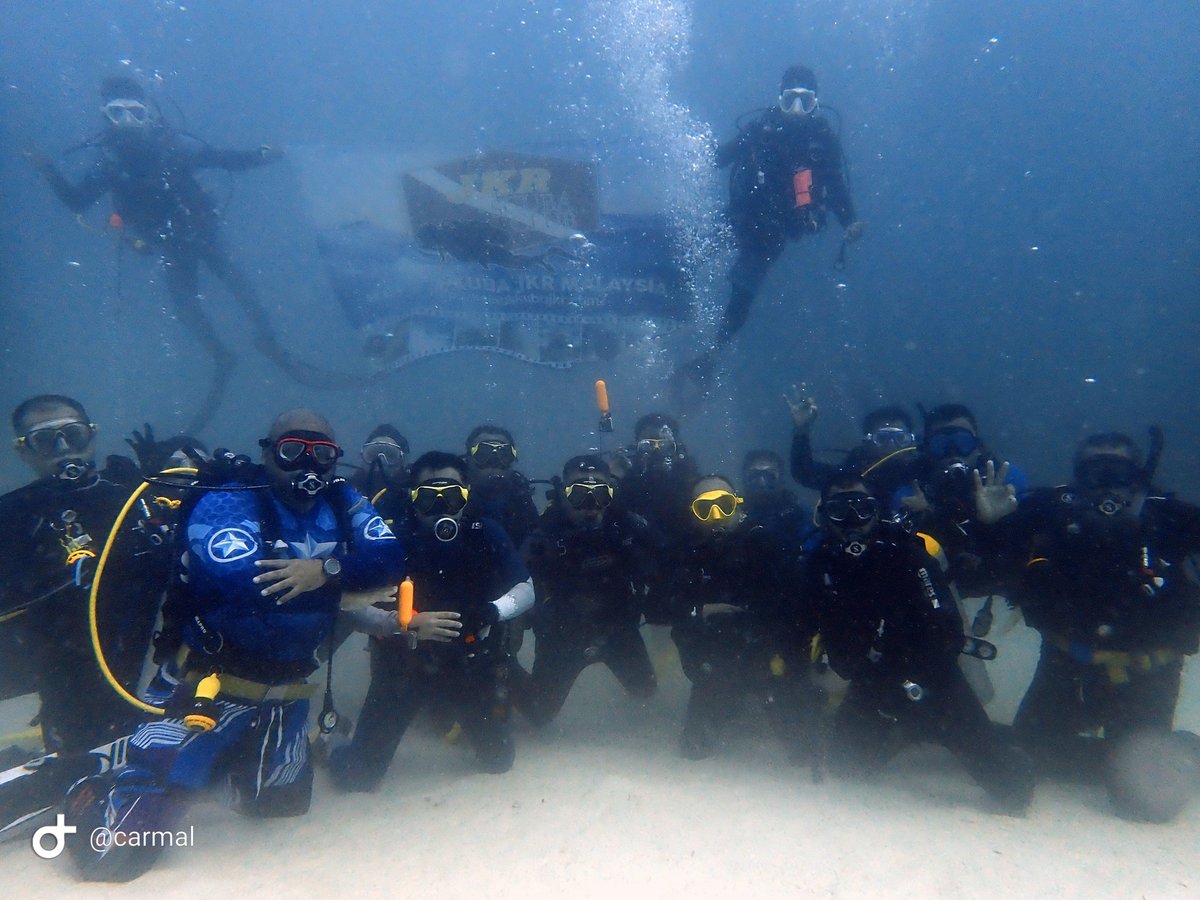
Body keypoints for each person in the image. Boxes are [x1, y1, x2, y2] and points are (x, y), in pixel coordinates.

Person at [64, 408, 404, 881]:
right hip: (208, 686)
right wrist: (346, 589)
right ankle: (93, 776)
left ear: (335, 459)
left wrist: (324, 571)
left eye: (321, 453)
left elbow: (392, 560)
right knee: (116, 858)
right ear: (268, 454)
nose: (308, 464)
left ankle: (197, 765)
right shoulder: (226, 501)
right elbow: (241, 588)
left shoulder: (342, 498)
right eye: (292, 450)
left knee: (278, 805)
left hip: (286, 693)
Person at [27, 74, 340, 434]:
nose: (127, 121)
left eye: (135, 112)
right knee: (187, 305)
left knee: (240, 286)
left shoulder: (173, 146)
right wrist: (45, 168)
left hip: (201, 232)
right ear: (106, 117)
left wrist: (263, 155)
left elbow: (225, 159)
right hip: (171, 243)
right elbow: (77, 201)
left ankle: (266, 342)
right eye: (117, 113)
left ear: (148, 114)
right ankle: (223, 353)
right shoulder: (110, 162)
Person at [805, 469, 1034, 815]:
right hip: (873, 685)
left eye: (862, 507)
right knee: (846, 766)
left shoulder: (906, 553)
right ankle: (905, 732)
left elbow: (948, 624)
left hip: (936, 682)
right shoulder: (820, 564)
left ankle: (987, 739)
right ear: (823, 515)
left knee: (1012, 793)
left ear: (876, 511)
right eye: (840, 509)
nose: (853, 519)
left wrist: (995, 528)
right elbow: (801, 623)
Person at [0, 395, 172, 829]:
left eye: (72, 435)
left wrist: (166, 490)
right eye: (45, 441)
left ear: (91, 437)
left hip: (150, 680)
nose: (63, 449)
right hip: (68, 687)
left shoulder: (136, 496)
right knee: (78, 773)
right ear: (23, 451)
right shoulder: (10, 517)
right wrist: (53, 579)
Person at [1008, 432, 1200, 820]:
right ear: (1078, 475)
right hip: (1067, 667)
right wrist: (994, 521)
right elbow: (987, 561)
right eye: (1095, 471)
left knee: (1145, 808)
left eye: (1118, 470)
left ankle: (1176, 751)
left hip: (1146, 676)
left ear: (1139, 475)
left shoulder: (1171, 517)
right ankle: (1123, 755)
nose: (1107, 481)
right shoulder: (1050, 510)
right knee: (1023, 758)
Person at [328, 452, 533, 791]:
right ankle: (333, 741)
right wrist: (403, 622)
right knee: (359, 777)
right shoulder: (388, 539)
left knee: (499, 760)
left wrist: (493, 611)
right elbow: (348, 604)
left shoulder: (486, 533)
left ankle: (443, 719)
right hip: (402, 670)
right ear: (412, 497)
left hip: (466, 669)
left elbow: (526, 589)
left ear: (467, 494)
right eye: (428, 497)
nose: (442, 508)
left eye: (451, 496)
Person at [676, 65, 863, 388]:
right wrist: (692, 155)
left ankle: (712, 354)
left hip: (772, 234)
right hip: (741, 215)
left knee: (743, 291)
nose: (797, 109)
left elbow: (836, 187)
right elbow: (720, 157)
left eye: (806, 101)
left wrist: (850, 221)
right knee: (691, 256)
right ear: (779, 98)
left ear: (816, 103)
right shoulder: (761, 128)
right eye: (790, 100)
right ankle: (672, 303)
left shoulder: (823, 140)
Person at [670, 475, 816, 761]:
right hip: (716, 660)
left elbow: (799, 602)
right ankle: (731, 704)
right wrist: (699, 611)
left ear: (737, 504)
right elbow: (664, 607)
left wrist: (790, 657)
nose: (716, 517)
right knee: (693, 749)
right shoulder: (686, 553)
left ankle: (785, 701)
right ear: (693, 513)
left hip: (766, 654)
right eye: (705, 508)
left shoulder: (765, 544)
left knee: (804, 751)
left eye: (724, 505)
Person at [514, 455, 662, 726]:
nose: (590, 504)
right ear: (564, 494)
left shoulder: (626, 524)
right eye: (579, 493)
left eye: (600, 493)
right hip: (562, 635)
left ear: (611, 494)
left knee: (645, 689)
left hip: (618, 629)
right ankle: (505, 672)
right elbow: (518, 579)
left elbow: (665, 556)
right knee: (539, 714)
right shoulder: (545, 532)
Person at [611, 413, 701, 623]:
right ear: (636, 447)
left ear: (675, 446)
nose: (657, 450)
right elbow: (607, 513)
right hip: (639, 566)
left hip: (681, 564)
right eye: (649, 444)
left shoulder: (687, 476)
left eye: (664, 443)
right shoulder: (628, 478)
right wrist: (613, 477)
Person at [786, 386, 919, 500]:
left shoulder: (923, 471)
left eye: (901, 438)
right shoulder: (852, 476)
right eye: (882, 438)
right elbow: (804, 473)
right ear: (867, 443)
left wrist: (927, 509)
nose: (892, 445)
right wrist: (801, 429)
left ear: (911, 442)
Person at [740, 449, 815, 556]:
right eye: (754, 476)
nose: (762, 483)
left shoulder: (798, 514)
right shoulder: (733, 511)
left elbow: (813, 547)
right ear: (744, 480)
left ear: (782, 480)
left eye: (770, 476)